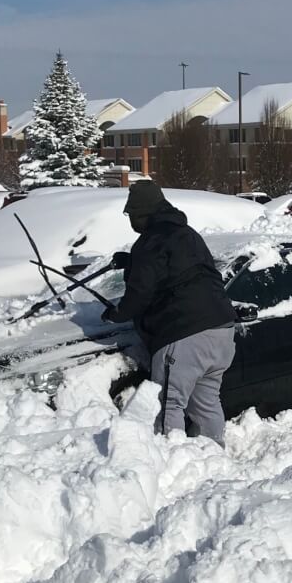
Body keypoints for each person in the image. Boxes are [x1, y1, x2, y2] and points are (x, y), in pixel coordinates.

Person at [102, 180, 237, 445]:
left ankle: (172, 462)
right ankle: (216, 455)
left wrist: (116, 313)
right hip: (223, 329)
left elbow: (139, 294)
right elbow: (179, 270)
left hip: (186, 334)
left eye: (131, 215)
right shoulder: (188, 234)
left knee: (169, 404)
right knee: (206, 403)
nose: (130, 222)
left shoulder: (149, 241)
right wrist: (132, 261)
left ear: (142, 213)